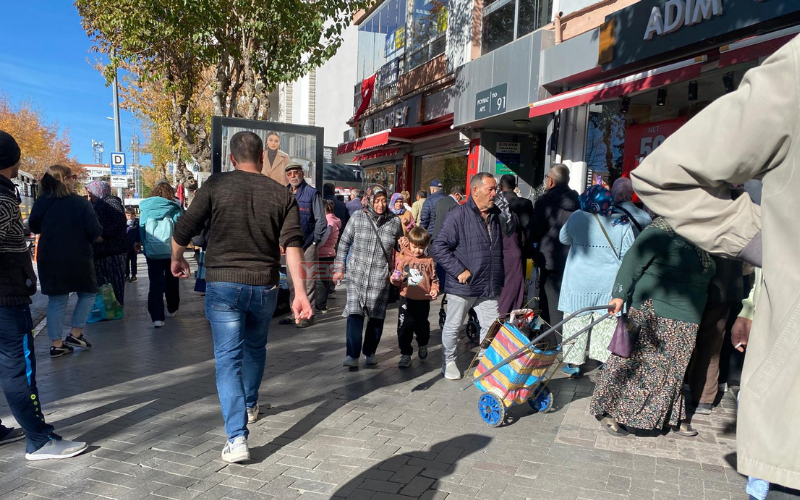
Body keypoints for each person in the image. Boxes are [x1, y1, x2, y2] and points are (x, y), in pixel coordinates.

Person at [629, 36, 799, 490]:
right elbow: (663, 184)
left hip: (713, 302)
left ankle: (693, 405)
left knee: (699, 353)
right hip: (790, 437)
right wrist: (774, 248)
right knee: (677, 356)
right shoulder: (795, 74)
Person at [171, 131, 311, 464]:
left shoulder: (216, 186)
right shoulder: (281, 194)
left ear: (232, 159)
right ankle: (250, 405)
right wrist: (301, 293)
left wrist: (176, 259)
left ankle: (236, 439)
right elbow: (293, 245)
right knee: (255, 349)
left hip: (222, 286)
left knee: (228, 361)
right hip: (264, 287)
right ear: (262, 157)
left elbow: (183, 227)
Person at [0, 131, 88, 459]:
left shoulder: (25, 199)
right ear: (13, 160)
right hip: (6, 296)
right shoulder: (3, 197)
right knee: (16, 368)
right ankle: (39, 440)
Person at [589, 217, 715, 437]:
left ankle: (668, 415)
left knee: (673, 370)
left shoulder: (702, 233)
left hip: (689, 314)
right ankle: (611, 410)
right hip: (653, 308)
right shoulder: (660, 231)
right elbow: (632, 262)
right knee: (640, 366)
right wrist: (619, 294)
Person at [432, 173, 504, 380]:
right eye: (490, 189)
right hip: (463, 284)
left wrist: (499, 277)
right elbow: (439, 246)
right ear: (475, 190)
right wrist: (458, 270)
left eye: (495, 189)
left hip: (488, 284)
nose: (494, 193)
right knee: (454, 325)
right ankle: (449, 360)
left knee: (492, 327)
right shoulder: (458, 215)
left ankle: (485, 361)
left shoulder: (496, 215)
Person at [558, 185, 635, 377]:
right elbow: (629, 253)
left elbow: (563, 239)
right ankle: (603, 362)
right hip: (607, 285)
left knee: (576, 321)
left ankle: (574, 365)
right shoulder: (622, 222)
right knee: (605, 322)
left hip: (578, 283)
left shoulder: (577, 217)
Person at [30, 165, 103, 358]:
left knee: (56, 301)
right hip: (78, 256)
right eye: (73, 177)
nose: (75, 180)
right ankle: (76, 333)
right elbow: (93, 229)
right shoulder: (80, 203)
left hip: (50, 256)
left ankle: (56, 344)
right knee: (88, 293)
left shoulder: (41, 202)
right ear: (65, 179)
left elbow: (34, 226)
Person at [333, 185, 403, 368]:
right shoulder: (358, 217)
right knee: (354, 314)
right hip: (357, 276)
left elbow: (401, 249)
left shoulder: (394, 222)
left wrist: (405, 244)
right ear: (370, 200)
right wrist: (339, 268)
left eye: (384, 200)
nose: (381, 204)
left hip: (380, 277)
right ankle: (352, 355)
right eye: (377, 200)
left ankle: (370, 351)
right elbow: (344, 243)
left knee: (376, 317)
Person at [530, 164, 580, 328]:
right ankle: (561, 340)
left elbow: (535, 230)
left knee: (550, 305)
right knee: (566, 303)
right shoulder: (578, 201)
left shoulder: (545, 201)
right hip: (572, 259)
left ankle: (552, 343)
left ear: (550, 181)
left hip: (550, 259)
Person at [279, 163, 326, 328]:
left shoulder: (312, 193)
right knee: (292, 281)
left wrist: (314, 242)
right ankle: (295, 314)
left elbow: (321, 221)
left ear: (302, 173)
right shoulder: (283, 193)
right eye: (290, 173)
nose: (293, 176)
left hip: (307, 244)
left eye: (296, 172)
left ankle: (308, 315)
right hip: (290, 245)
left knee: (308, 281)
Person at [390, 226, 439, 368]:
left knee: (422, 325)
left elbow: (434, 279)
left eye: (421, 247)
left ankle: (423, 343)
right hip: (406, 297)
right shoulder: (404, 259)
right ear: (410, 244)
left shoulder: (428, 261)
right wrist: (394, 279)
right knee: (404, 326)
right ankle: (406, 353)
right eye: (414, 246)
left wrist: (435, 289)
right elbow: (397, 276)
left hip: (423, 299)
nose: (417, 250)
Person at [139, 182, 183, 327]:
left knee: (155, 284)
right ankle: (172, 308)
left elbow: (142, 229)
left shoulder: (145, 208)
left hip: (152, 252)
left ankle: (157, 318)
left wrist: (145, 247)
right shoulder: (173, 208)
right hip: (171, 251)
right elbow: (180, 229)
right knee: (172, 280)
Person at [87, 180, 128, 307]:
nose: (89, 196)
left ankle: (115, 308)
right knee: (103, 283)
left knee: (114, 282)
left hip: (113, 251)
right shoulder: (95, 204)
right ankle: (106, 308)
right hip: (100, 252)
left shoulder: (111, 203)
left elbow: (119, 224)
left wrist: (102, 235)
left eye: (91, 193)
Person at [316, 199, 341, 314]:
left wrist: (314, 246)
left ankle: (320, 305)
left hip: (322, 253)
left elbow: (323, 238)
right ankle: (322, 305)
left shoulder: (328, 222)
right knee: (325, 280)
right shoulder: (334, 220)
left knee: (321, 281)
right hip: (330, 253)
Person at [499, 174, 534, 254]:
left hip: (502, 247)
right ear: (515, 187)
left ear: (500, 187)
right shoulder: (527, 203)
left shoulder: (496, 204)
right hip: (522, 247)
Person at [125, 208, 141, 282]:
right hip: (126, 245)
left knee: (134, 261)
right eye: (128, 215)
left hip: (134, 245)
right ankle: (127, 275)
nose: (130, 217)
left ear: (134, 216)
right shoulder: (123, 223)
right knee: (126, 261)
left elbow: (139, 233)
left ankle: (134, 275)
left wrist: (138, 242)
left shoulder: (137, 223)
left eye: (132, 216)